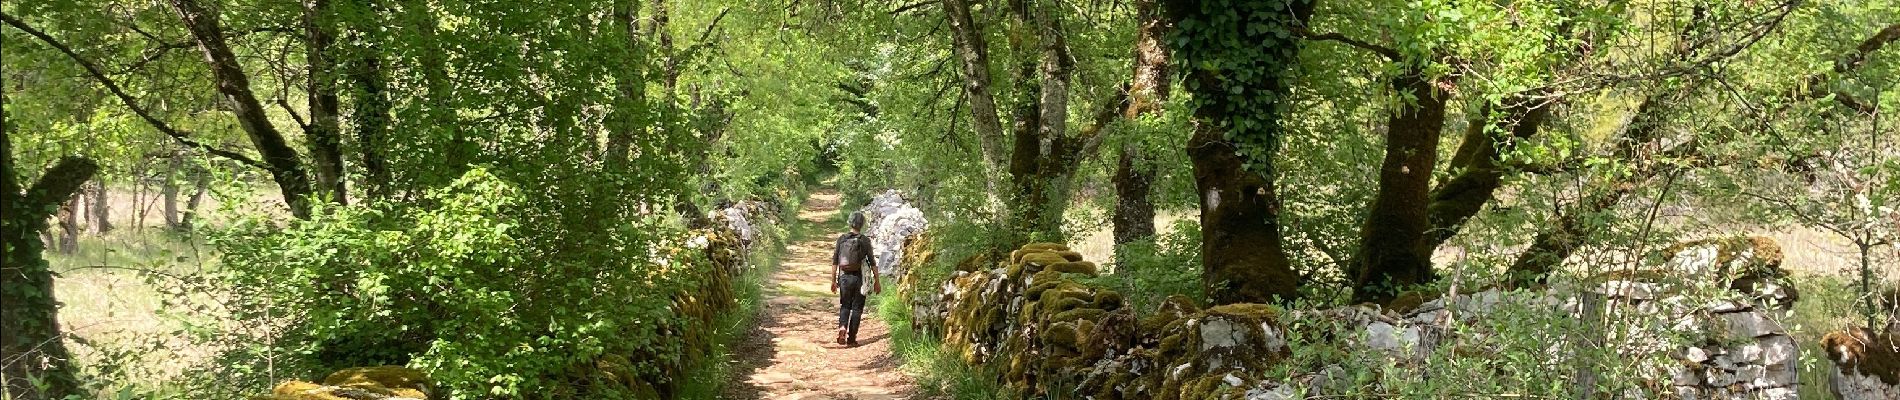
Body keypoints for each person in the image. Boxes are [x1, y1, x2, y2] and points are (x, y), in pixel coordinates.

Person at [831, 212, 880, 346]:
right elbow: (872, 262)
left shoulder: (842, 239)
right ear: (862, 224)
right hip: (859, 279)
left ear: (850, 223)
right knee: (857, 308)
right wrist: (877, 281)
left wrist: (833, 281)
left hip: (844, 278)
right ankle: (851, 338)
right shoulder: (864, 240)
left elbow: (835, 261)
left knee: (845, 305)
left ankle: (842, 327)